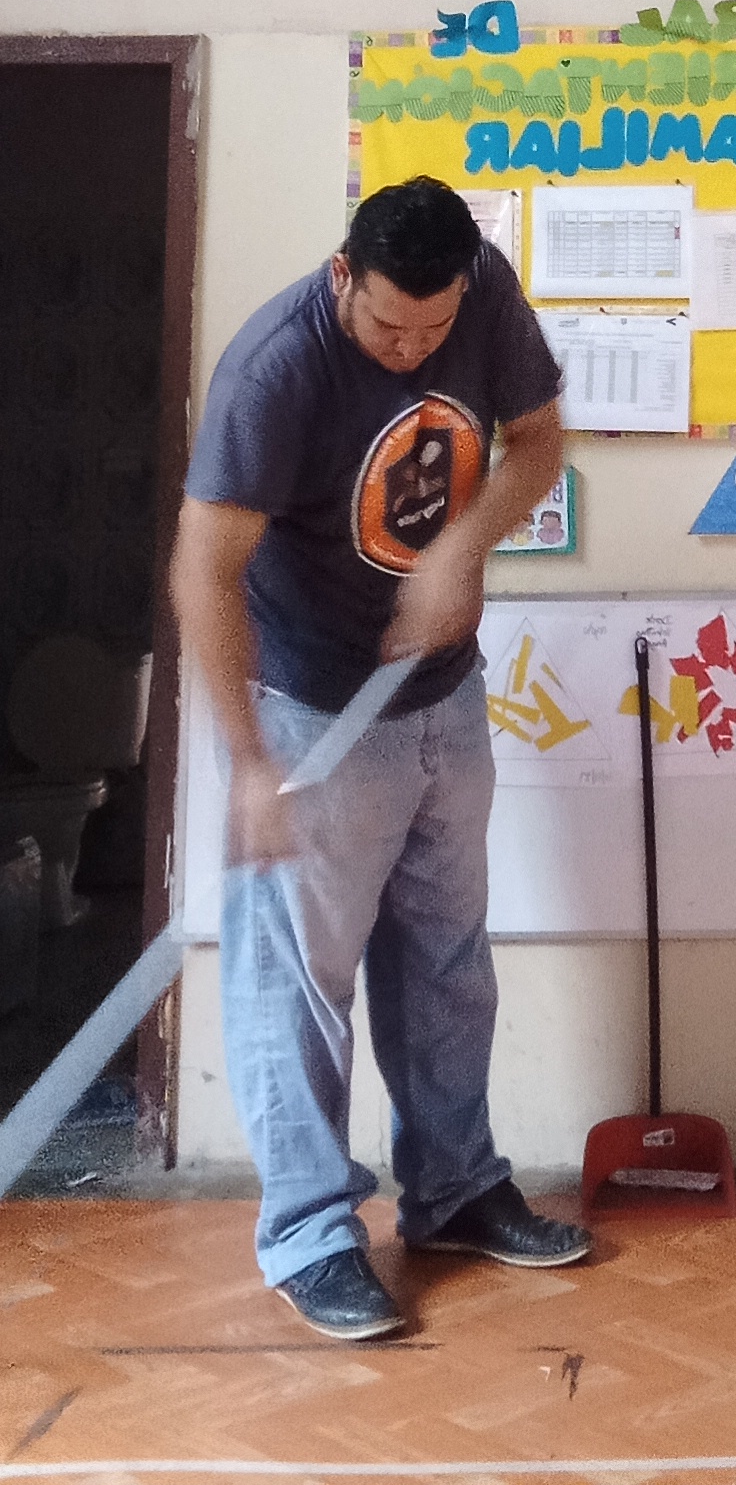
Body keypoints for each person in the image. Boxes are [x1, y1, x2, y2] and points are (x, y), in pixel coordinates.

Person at [170, 176, 590, 1342]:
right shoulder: (275, 371)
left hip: (441, 690)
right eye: (390, 328)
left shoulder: (482, 294)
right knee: (299, 985)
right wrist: (250, 761)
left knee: (448, 958)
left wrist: (463, 545)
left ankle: (454, 1193)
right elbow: (202, 571)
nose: (413, 351)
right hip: (310, 709)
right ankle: (309, 1234)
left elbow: (537, 444)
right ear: (342, 275)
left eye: (433, 329)